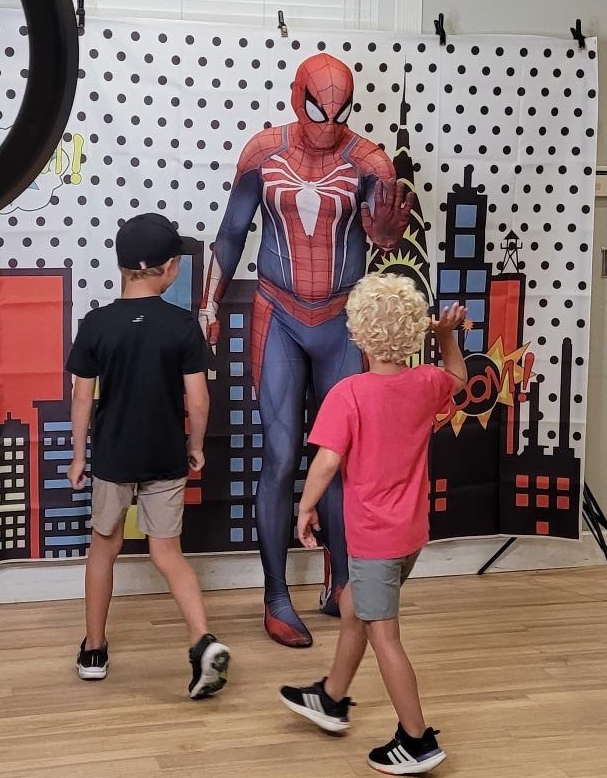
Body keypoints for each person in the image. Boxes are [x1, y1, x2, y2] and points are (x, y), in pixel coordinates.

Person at [200, 53, 414, 647]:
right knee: (282, 454)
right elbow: (231, 232)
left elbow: (382, 235)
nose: (327, 121)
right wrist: (208, 306)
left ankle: (340, 581)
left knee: (345, 457)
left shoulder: (369, 159)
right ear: (297, 96)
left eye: (339, 109)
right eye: (318, 106)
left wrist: (386, 235)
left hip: (343, 318)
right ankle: (275, 595)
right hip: (279, 313)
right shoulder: (263, 152)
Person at [279, 273, 467, 774]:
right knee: (352, 604)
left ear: (357, 334)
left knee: (384, 634)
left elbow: (325, 462)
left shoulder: (349, 393)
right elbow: (459, 379)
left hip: (373, 540)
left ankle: (416, 738)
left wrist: (305, 506)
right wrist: (447, 339)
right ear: (414, 334)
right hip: (410, 537)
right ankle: (332, 697)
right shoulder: (427, 383)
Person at [66, 212, 230, 700]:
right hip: (164, 455)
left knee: (104, 547)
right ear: (170, 269)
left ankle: (94, 649)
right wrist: (196, 445)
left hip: (114, 455)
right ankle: (201, 640)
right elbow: (199, 400)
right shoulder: (182, 327)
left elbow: (81, 398)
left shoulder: (96, 323)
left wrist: (79, 455)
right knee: (167, 552)